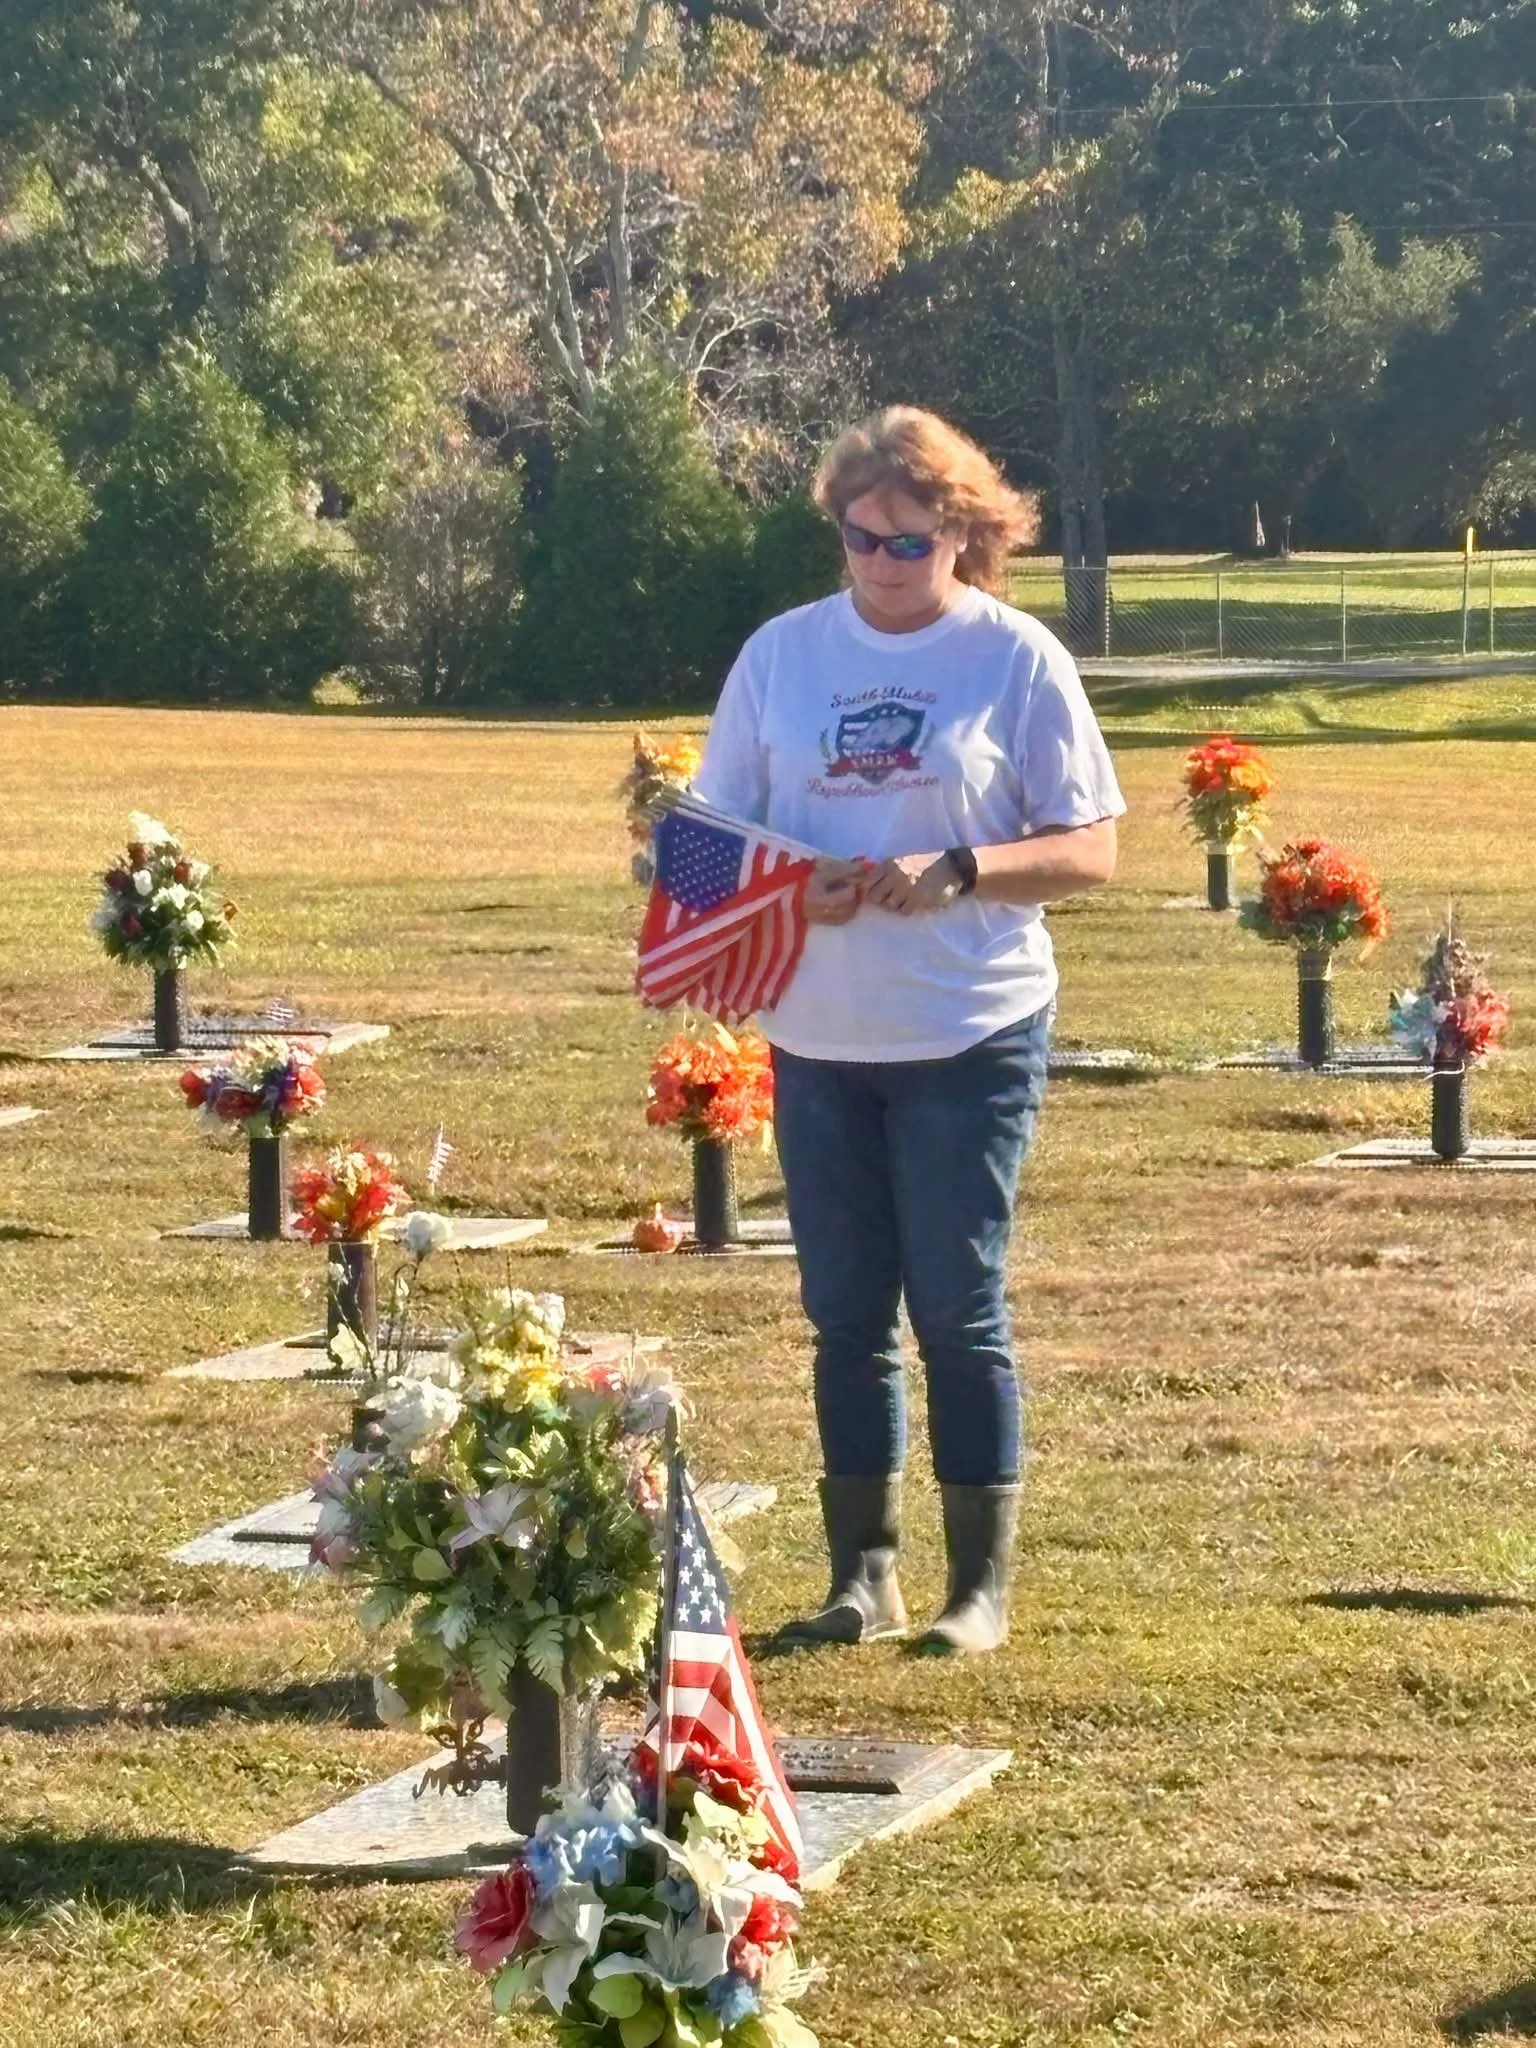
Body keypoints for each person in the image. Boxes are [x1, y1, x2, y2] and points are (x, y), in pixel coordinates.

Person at [693, 407, 1124, 1656]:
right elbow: (704, 844)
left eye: (909, 540)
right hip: (819, 1034)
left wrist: (967, 866)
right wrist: (792, 888)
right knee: (843, 1312)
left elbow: (1091, 846)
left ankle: (976, 1586)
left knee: (957, 1304)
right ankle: (860, 1572)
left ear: (965, 537)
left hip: (968, 1030)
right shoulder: (780, 656)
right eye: (859, 536)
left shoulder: (1015, 658)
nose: (881, 559)